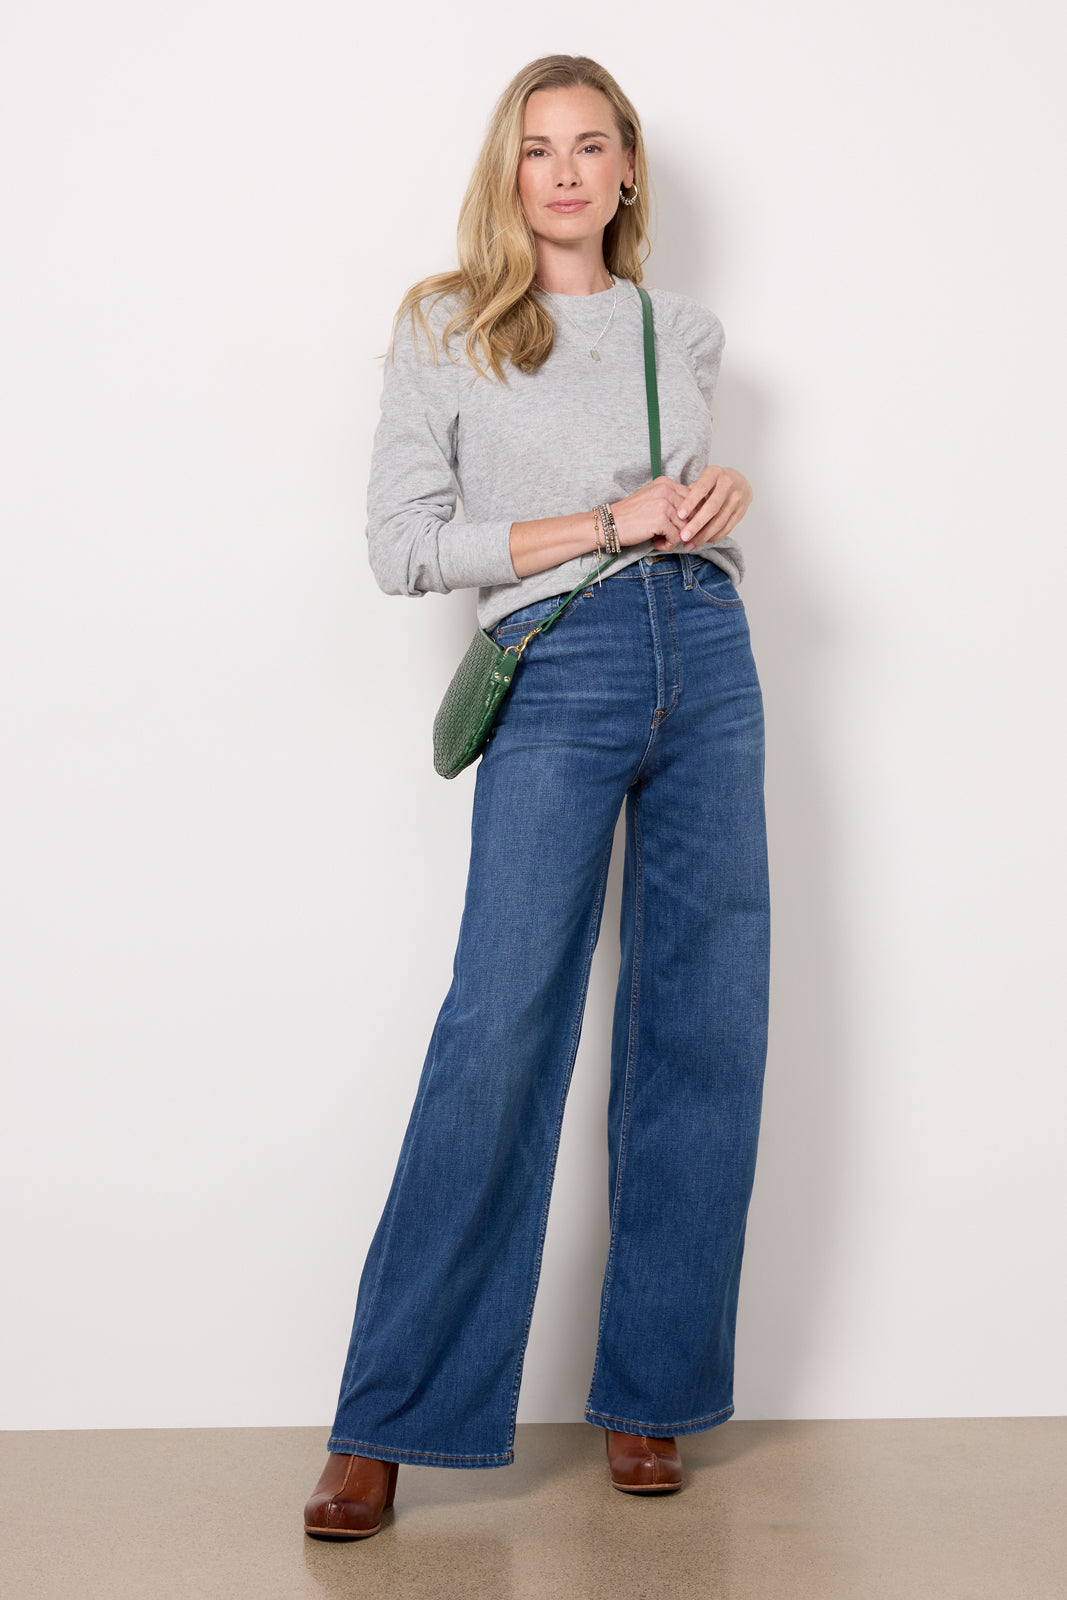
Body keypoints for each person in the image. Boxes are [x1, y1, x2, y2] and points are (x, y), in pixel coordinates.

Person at [304, 53, 770, 1540]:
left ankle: (652, 1395)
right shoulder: (448, 326)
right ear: (507, 173)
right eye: (536, 148)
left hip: (707, 648)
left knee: (705, 1025)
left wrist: (714, 503)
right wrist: (602, 520)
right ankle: (389, 1420)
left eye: (591, 145)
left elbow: (677, 498)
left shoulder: (680, 330)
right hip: (558, 664)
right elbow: (405, 545)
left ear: (628, 169)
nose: (564, 172)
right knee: (499, 1023)